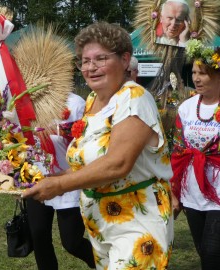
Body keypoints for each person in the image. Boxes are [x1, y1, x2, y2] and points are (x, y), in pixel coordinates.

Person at [23, 21, 174, 270]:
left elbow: (118, 163)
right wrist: (43, 181)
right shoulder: (93, 100)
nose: (90, 67)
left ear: (125, 59)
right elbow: (89, 163)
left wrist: (58, 185)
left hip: (136, 222)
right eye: (84, 60)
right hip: (101, 224)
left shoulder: (134, 97)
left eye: (101, 59)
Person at [27, 93, 95, 270]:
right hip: (36, 177)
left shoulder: (76, 103)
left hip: (68, 180)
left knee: (72, 242)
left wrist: (58, 130)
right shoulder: (24, 101)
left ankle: (105, 265)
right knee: (39, 236)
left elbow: (88, 138)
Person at [170, 43, 220, 269]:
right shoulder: (187, 108)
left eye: (203, 73)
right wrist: (174, 191)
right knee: (203, 251)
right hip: (193, 192)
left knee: (211, 252)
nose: (197, 78)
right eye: (194, 73)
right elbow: (178, 150)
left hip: (218, 192)